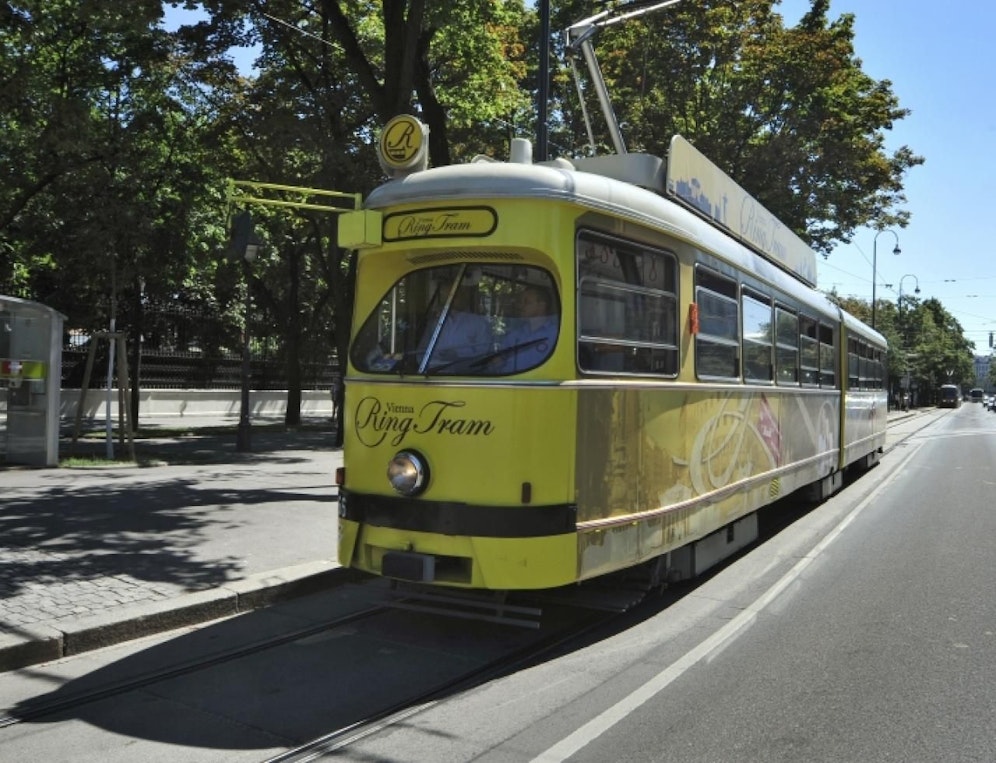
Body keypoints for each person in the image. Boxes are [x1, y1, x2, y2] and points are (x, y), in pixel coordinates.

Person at [496, 285, 558, 373]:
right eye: (521, 302)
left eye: (526, 302)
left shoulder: (555, 335)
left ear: (541, 306)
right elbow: (497, 361)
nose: (521, 306)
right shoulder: (515, 335)